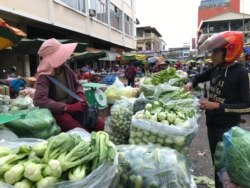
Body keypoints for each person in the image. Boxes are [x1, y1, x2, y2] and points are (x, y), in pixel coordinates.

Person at [184, 31, 250, 188]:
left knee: (227, 169)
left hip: (228, 129)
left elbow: (246, 105)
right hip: (212, 125)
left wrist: (217, 105)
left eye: (216, 51)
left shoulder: (241, 73)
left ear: (229, 50)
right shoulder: (216, 69)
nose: (212, 55)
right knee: (216, 163)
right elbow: (198, 77)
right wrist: (190, 83)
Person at [33, 38, 104, 132]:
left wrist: (80, 95)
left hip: (74, 105)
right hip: (58, 112)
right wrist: (67, 108)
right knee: (81, 131)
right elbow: (39, 100)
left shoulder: (66, 69)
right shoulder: (44, 76)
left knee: (99, 124)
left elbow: (77, 84)